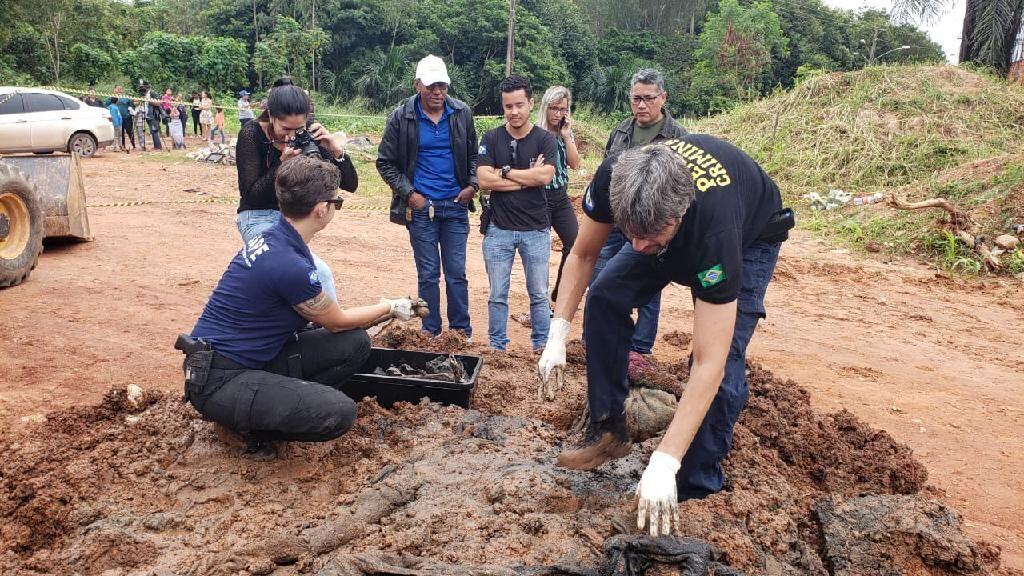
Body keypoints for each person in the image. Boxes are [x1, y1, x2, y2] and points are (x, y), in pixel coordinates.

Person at [536, 135, 793, 536]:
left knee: (721, 369)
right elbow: (584, 254)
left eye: (650, 237)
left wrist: (664, 462)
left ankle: (695, 484)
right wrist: (558, 333)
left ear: (680, 213)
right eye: (629, 233)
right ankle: (608, 429)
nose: (637, 246)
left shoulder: (714, 231)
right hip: (665, 221)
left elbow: (711, 361)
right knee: (605, 296)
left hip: (751, 238)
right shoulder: (615, 177)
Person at [183, 155, 418, 458]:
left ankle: (278, 402)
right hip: (221, 380)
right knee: (340, 412)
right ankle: (247, 429)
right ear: (321, 209)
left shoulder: (276, 237)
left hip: (246, 359)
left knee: (355, 343)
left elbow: (338, 325)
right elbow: (336, 320)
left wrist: (385, 310)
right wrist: (389, 306)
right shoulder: (288, 264)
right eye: (337, 202)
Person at [590, 68, 689, 367]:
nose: (642, 105)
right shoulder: (620, 131)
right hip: (617, 223)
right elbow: (607, 172)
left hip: (652, 226)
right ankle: (601, 337)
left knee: (648, 286)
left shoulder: (679, 136)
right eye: (636, 98)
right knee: (600, 276)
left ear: (663, 98)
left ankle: (641, 348)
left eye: (648, 98)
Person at [376, 54, 478, 340]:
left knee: (457, 273)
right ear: (418, 84)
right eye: (431, 85)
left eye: (442, 85)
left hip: (456, 206)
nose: (437, 92)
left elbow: (474, 156)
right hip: (422, 209)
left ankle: (460, 332)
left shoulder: (461, 113)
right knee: (429, 274)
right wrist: (410, 195)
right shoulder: (401, 116)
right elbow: (385, 162)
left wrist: (471, 185)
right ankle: (430, 332)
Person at [234, 77, 357, 303]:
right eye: (285, 129)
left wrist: (336, 152)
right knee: (319, 273)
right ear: (271, 117)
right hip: (257, 216)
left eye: (298, 129)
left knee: (292, 278)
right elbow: (251, 195)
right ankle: (334, 330)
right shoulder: (252, 134)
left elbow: (350, 184)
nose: (291, 135)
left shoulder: (308, 134)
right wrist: (281, 164)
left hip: (292, 219)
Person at [476, 75, 558, 351]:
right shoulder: (491, 137)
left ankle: (541, 345)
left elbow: (545, 177)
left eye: (519, 105)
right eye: (508, 106)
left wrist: (506, 172)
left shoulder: (545, 139)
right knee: (497, 294)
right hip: (499, 228)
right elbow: (484, 180)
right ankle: (497, 346)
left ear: (531, 104)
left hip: (536, 229)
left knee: (538, 294)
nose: (514, 112)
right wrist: (526, 176)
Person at [535, 86, 581, 307]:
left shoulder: (564, 134)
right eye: (553, 108)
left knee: (574, 245)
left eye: (562, 109)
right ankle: (539, 301)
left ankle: (558, 295)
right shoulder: (535, 133)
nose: (557, 113)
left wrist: (566, 136)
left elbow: (575, 163)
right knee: (540, 251)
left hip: (561, 197)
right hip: (539, 197)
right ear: (545, 108)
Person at [109, 86, 135, 151]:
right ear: (114, 89)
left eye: (120, 89)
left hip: (126, 117)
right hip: (117, 119)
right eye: (118, 89)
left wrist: (131, 110)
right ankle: (122, 146)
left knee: (130, 131)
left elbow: (131, 104)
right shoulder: (111, 97)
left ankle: (133, 145)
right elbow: (107, 105)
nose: (119, 90)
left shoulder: (126, 97)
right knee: (121, 133)